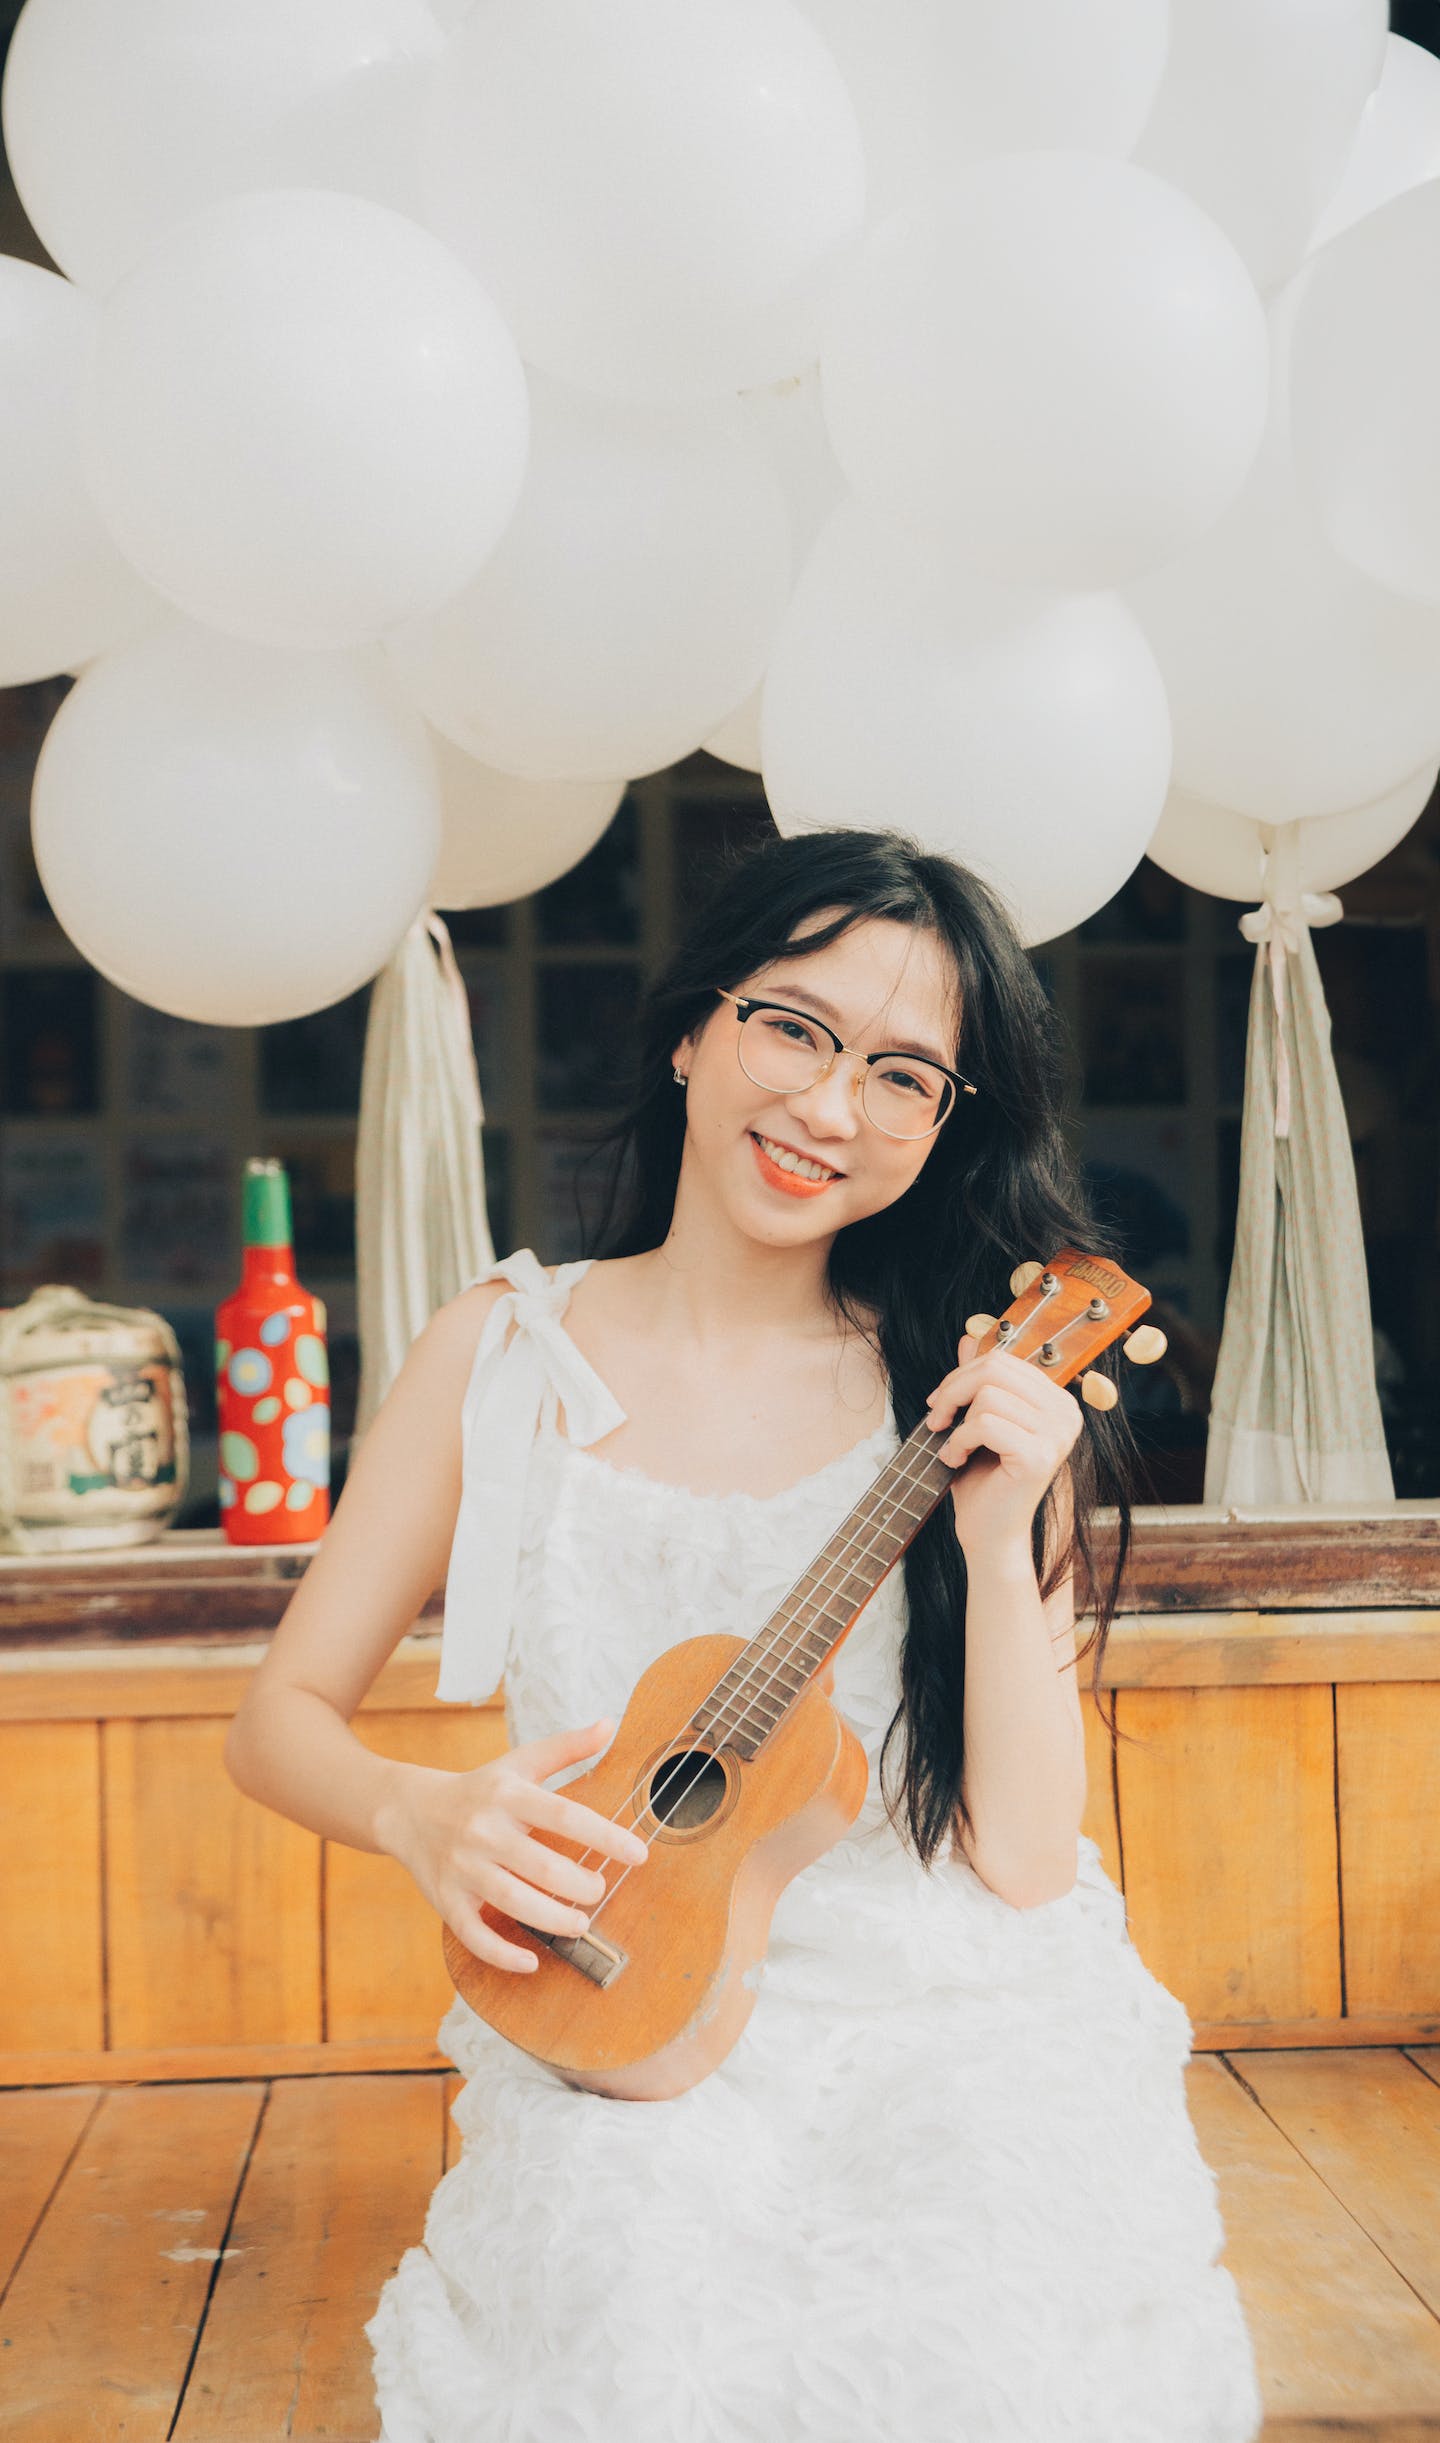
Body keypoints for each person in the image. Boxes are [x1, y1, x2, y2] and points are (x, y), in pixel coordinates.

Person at [224, 828, 1264, 2443]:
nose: (833, 1106)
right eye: (796, 1027)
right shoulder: (502, 1353)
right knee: (649, 2351)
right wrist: (419, 1815)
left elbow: (1028, 1864)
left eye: (907, 1074)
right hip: (618, 1989)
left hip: (952, 2003)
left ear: (945, 1127)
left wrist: (999, 1548)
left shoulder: (980, 1388)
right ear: (694, 1029)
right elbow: (279, 1713)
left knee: (972, 2352)